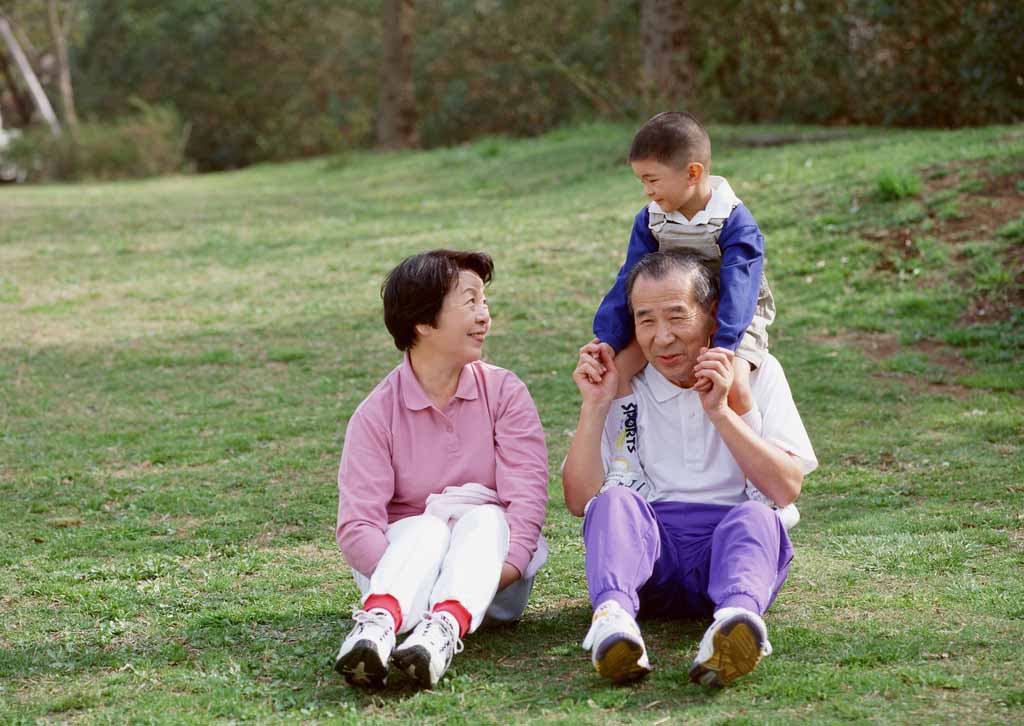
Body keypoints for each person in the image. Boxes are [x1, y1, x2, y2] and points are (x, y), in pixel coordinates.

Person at [563, 250, 817, 687]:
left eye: (677, 317)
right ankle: (615, 621)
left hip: (728, 554)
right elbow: (578, 499)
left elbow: (785, 488)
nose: (662, 338)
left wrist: (722, 412)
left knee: (758, 518)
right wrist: (595, 407)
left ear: (713, 315)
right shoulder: (625, 385)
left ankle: (734, 626)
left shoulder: (755, 375)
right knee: (614, 503)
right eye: (646, 321)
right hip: (649, 557)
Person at [333, 249, 549, 690]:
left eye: (484, 302)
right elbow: (358, 526)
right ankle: (378, 627)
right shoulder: (376, 414)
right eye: (469, 302)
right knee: (425, 531)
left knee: (486, 515)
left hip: (491, 578)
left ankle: (442, 630)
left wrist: (492, 571)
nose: (484, 315)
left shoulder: (505, 393)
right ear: (423, 323)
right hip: (401, 577)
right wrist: (418, 578)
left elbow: (526, 503)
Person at [586, 111, 798, 526]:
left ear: (692, 173)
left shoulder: (734, 218)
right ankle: (625, 466)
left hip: (736, 317)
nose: (647, 191)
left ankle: (761, 487)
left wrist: (723, 345)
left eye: (652, 180)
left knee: (733, 382)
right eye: (641, 182)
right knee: (617, 371)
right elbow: (629, 276)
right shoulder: (650, 219)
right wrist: (608, 339)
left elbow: (741, 285)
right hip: (675, 308)